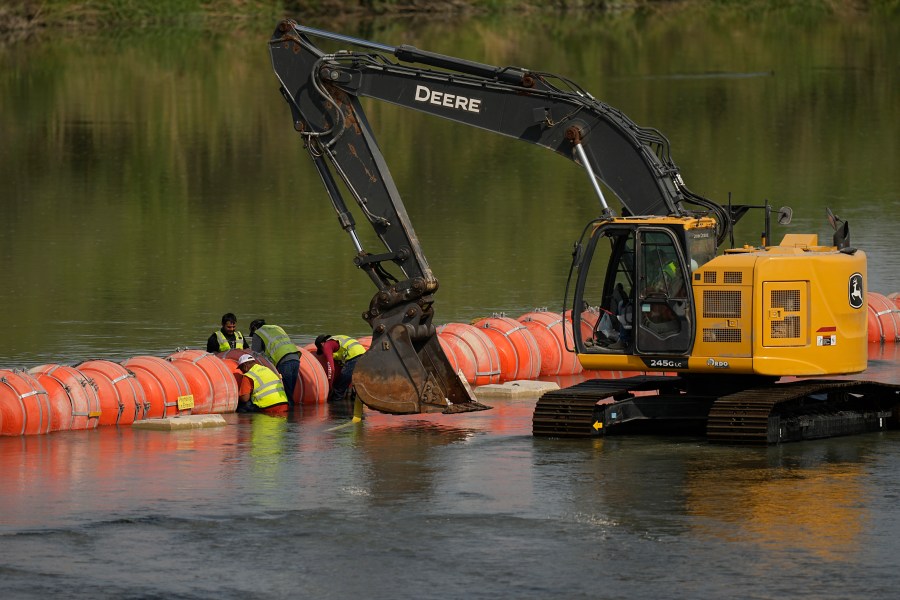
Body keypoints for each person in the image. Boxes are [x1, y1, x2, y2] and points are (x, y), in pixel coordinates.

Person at [249, 319, 300, 407]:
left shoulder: (258, 333)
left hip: (284, 361)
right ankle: (293, 415)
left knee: (286, 393)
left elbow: (256, 354)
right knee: (290, 391)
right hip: (295, 357)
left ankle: (289, 418)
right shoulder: (277, 328)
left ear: (254, 328)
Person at [315, 334, 366, 402]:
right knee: (355, 386)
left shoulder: (327, 345)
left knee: (338, 387)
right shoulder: (336, 339)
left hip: (354, 356)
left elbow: (331, 369)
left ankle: (335, 408)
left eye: (321, 350)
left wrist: (330, 386)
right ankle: (353, 404)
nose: (323, 352)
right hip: (364, 354)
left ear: (322, 344)